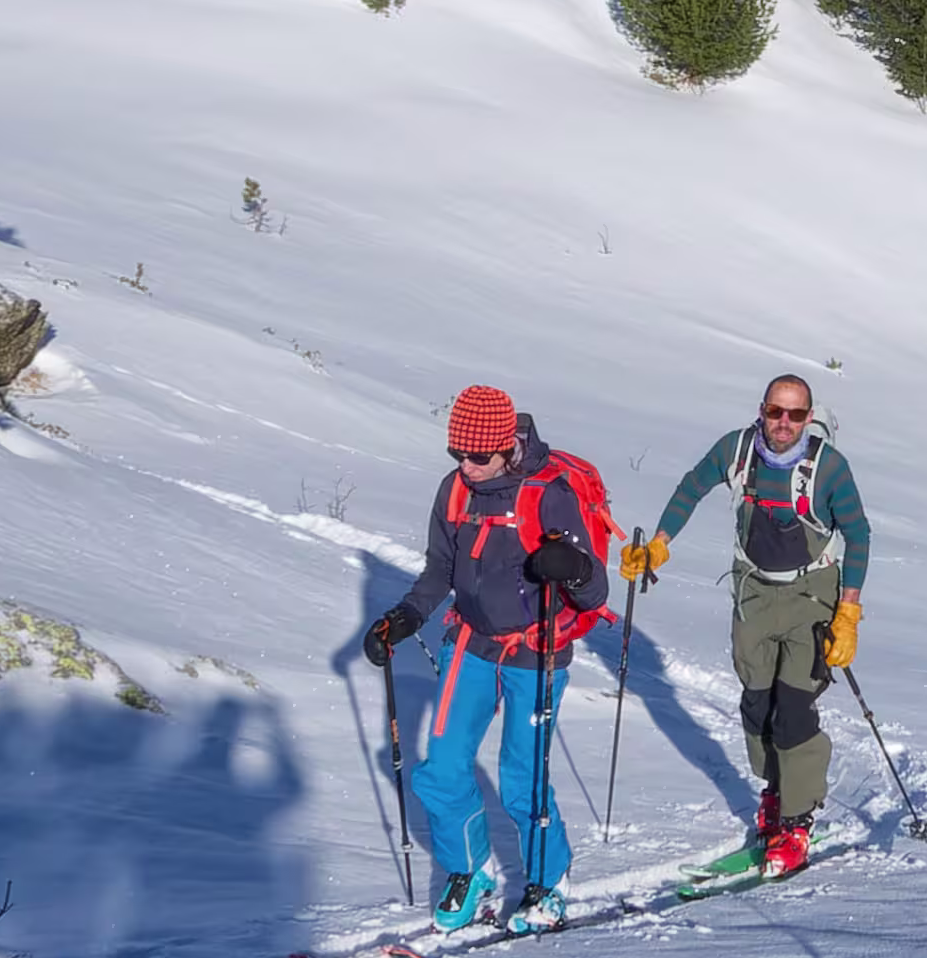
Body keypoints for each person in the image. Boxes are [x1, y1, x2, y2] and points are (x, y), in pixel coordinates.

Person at [362, 384, 615, 929]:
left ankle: (548, 881)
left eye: (478, 456)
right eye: (458, 454)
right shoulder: (455, 491)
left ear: (506, 445)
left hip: (535, 653)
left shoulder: (550, 493)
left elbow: (595, 592)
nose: (468, 467)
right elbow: (438, 571)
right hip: (469, 645)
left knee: (522, 779)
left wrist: (566, 564)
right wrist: (405, 616)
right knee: (441, 770)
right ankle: (468, 871)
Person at [619, 372, 871, 874]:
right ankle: (775, 792)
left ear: (808, 417)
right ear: (762, 410)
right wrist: (660, 544)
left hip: (811, 594)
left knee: (794, 707)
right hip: (753, 592)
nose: (783, 423)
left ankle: (798, 821)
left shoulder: (829, 468)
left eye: (795, 414)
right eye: (775, 412)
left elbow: (859, 534)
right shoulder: (736, 450)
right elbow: (690, 488)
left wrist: (848, 612)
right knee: (757, 703)